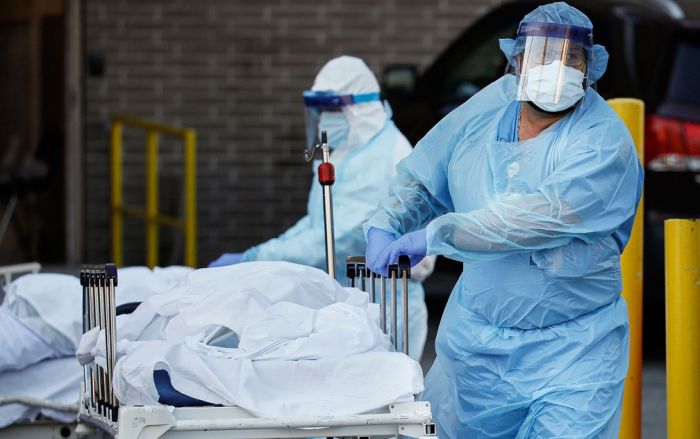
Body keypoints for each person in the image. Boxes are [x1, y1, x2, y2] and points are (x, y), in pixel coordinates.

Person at [364, 2, 643, 437]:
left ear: (590, 69)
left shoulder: (604, 141)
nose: (556, 67)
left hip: (574, 356)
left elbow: (534, 219)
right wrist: (389, 222)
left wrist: (435, 235)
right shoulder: (488, 109)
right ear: (516, 60)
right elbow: (427, 175)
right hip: (474, 349)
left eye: (571, 58)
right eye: (542, 55)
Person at [209, 56, 433, 361]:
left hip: (385, 303)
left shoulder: (385, 158)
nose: (326, 119)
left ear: (360, 108)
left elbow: (340, 237)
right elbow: (318, 223)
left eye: (333, 109)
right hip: (349, 299)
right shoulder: (349, 151)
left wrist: (255, 259)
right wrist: (262, 252)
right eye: (321, 110)